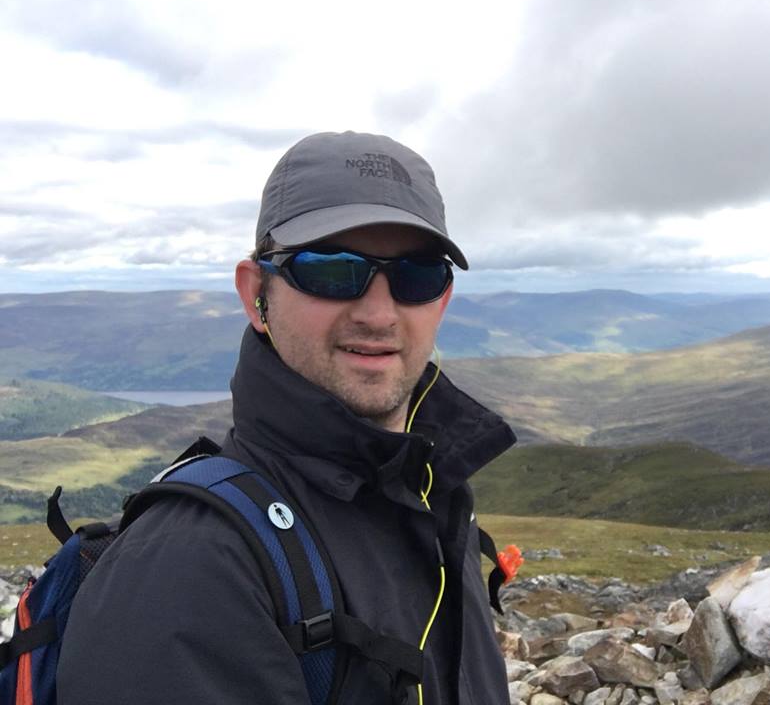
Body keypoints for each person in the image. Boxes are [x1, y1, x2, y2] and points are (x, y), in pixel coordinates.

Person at [57, 131, 517, 704]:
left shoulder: (435, 499)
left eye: (417, 275)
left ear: (442, 300)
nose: (378, 313)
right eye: (330, 269)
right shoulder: (187, 565)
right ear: (257, 296)